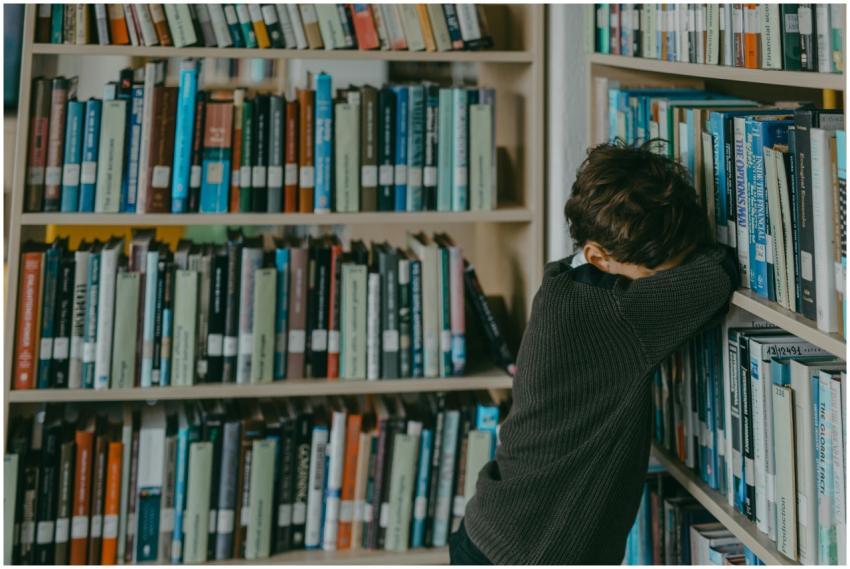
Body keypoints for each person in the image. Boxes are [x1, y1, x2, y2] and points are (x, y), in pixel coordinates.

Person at [450, 141, 738, 565]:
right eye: (661, 276)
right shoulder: (620, 313)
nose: (670, 283)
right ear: (599, 257)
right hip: (533, 552)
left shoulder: (567, 285)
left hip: (496, 532)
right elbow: (718, 274)